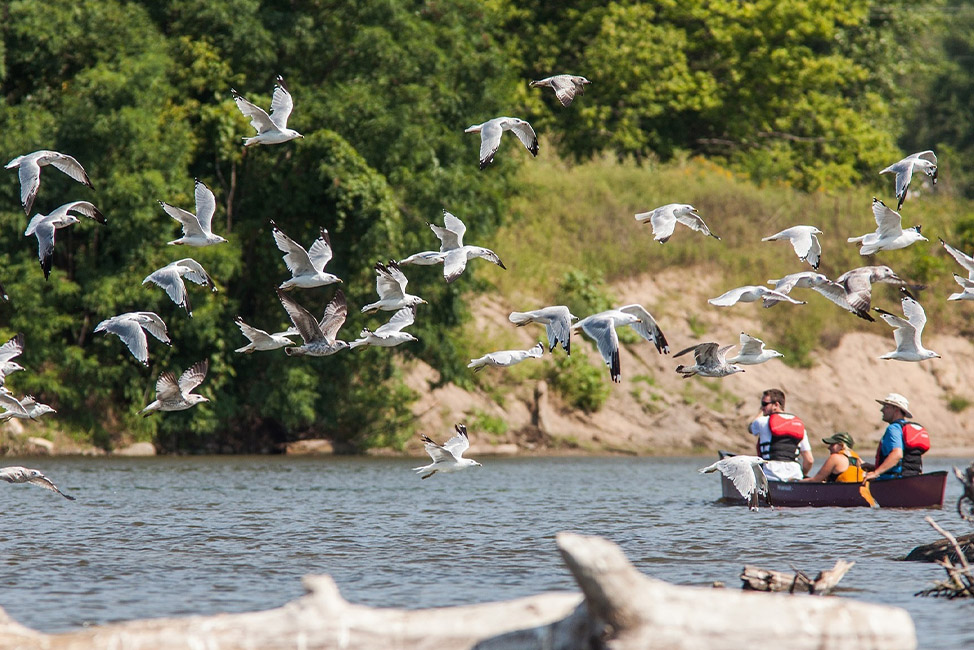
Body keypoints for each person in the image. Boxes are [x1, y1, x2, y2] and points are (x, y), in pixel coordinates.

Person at [749, 388, 813, 481]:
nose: (763, 407)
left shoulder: (762, 421)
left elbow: (750, 428)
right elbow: (809, 460)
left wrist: (761, 412)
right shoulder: (799, 425)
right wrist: (803, 475)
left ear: (776, 405)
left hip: (770, 475)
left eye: (764, 404)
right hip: (795, 474)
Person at [864, 393, 930, 481]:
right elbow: (902, 463)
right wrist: (874, 468)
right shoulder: (904, 428)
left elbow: (897, 454)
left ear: (896, 409)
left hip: (893, 482)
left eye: (886, 407)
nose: (882, 410)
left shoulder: (893, 428)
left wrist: (876, 473)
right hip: (912, 479)